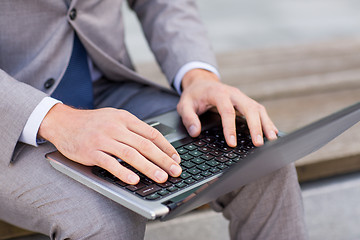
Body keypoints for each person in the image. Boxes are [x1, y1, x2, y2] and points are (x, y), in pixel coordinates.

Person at [0, 1, 307, 239]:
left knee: (260, 161)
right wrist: (54, 118)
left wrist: (198, 76)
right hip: (11, 115)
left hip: (109, 89)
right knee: (103, 221)